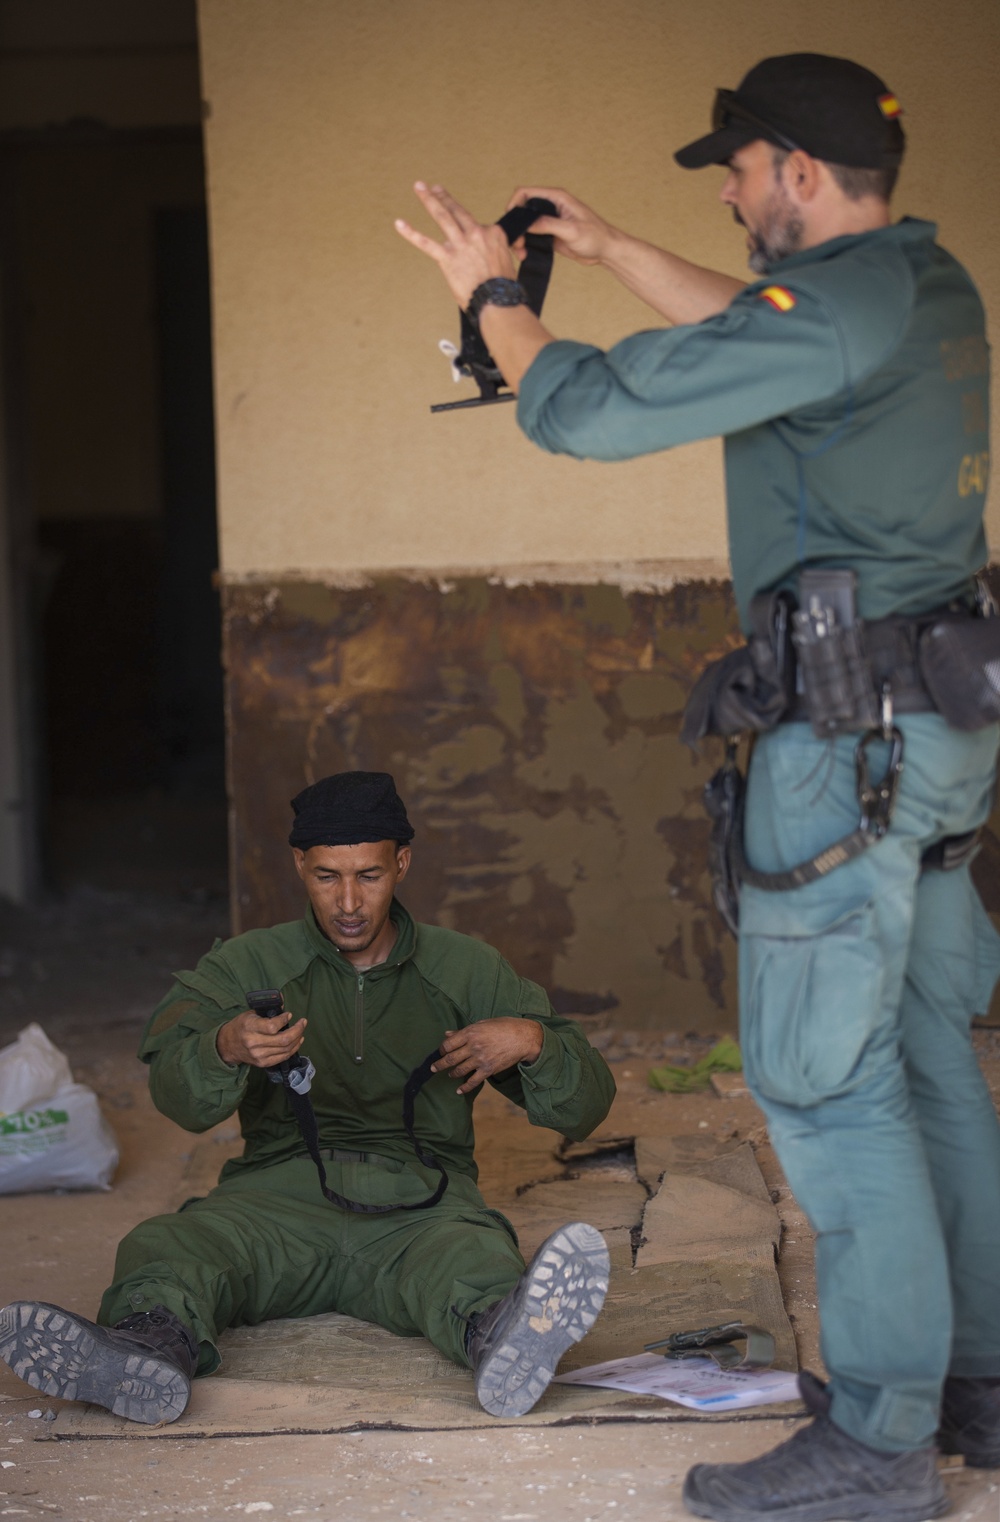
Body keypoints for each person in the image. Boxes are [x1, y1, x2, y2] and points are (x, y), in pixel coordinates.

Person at [396, 51, 1000, 1522]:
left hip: (846, 744)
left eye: (735, 172)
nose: (729, 198)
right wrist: (605, 250)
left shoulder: (832, 305)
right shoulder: (915, 290)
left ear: (798, 170)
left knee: (827, 1085)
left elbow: (587, 412)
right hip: (939, 734)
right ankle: (972, 1383)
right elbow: (757, 328)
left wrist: (502, 303)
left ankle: (878, 1438)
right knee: (925, 1062)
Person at [0, 771, 614, 1425]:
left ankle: (508, 1337)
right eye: (327, 876)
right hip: (275, 1203)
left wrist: (529, 1041)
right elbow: (174, 1094)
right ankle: (144, 1351)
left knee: (475, 1260)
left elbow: (587, 1107)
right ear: (299, 865)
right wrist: (226, 1046)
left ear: (402, 862)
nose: (349, 901)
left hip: (421, 1208)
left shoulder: (465, 967)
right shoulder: (247, 965)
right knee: (168, 1247)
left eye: (369, 876)